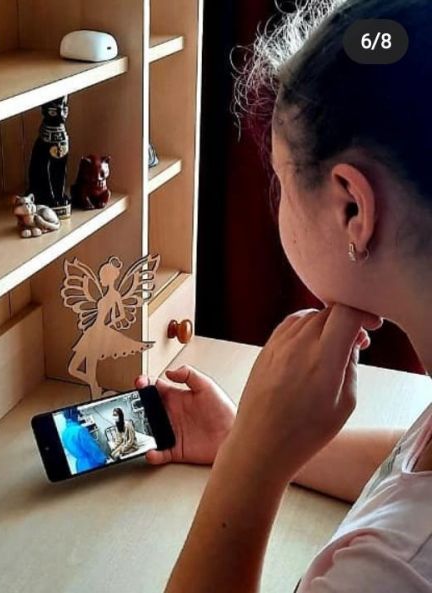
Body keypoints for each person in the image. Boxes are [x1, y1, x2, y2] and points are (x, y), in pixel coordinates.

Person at [135, 1, 432, 591]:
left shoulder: (389, 571)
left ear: (353, 208)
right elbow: (407, 467)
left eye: (281, 179)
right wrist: (240, 436)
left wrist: (250, 465)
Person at [60, 408, 108, 474]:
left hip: (80, 466)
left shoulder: (64, 433)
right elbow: (92, 448)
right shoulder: (80, 430)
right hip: (92, 464)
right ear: (74, 415)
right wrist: (103, 459)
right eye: (77, 414)